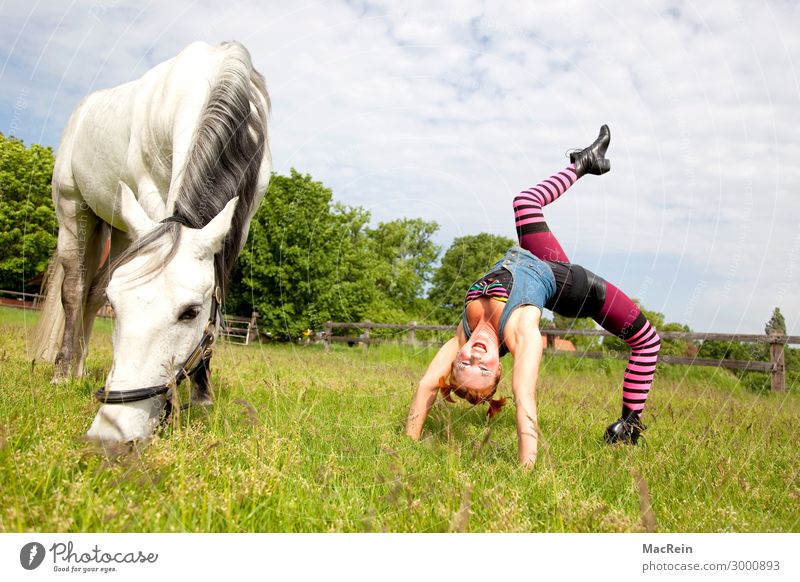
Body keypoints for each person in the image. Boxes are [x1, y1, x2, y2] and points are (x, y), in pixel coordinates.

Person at [405, 125, 661, 468]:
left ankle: (584, 162)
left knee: (524, 202)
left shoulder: (462, 335)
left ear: (458, 356)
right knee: (647, 341)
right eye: (482, 370)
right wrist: (527, 471)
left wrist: (408, 445)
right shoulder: (519, 331)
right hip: (577, 289)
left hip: (540, 260)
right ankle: (629, 426)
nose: (475, 358)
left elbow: (426, 385)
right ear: (498, 370)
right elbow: (524, 398)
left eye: (465, 364)